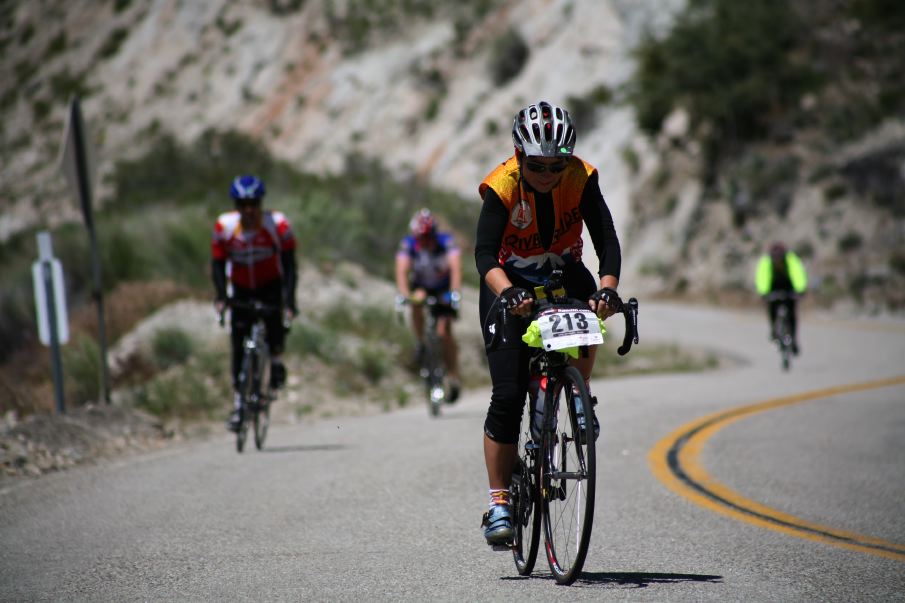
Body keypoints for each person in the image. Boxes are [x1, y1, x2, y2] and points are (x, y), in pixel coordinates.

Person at [475, 100, 622, 546]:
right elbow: (483, 254)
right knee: (508, 394)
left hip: (563, 269)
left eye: (555, 164)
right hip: (509, 280)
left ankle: (578, 391)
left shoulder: (581, 177)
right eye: (537, 165)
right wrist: (508, 292)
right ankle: (499, 501)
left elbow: (607, 241)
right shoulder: (503, 184)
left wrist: (608, 288)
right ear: (520, 156)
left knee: (590, 312)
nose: (547, 172)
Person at [212, 175, 298, 431]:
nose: (248, 210)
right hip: (240, 289)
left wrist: (290, 301)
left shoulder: (278, 224)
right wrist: (220, 297)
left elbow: (290, 265)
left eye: (253, 204)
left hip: (270, 285)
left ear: (261, 203)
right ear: (235, 206)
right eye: (242, 204)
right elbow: (217, 264)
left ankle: (276, 363)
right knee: (238, 344)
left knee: (275, 327)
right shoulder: (224, 227)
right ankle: (239, 404)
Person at [395, 208, 463, 401]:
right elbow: (401, 272)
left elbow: (456, 268)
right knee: (416, 302)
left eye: (428, 237)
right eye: (421, 237)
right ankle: (420, 342)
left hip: (443, 290)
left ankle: (453, 375)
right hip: (422, 287)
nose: (425, 241)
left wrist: (455, 293)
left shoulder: (446, 241)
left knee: (444, 331)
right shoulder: (408, 244)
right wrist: (404, 294)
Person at [755, 242, 807, 354]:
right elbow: (762, 277)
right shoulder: (766, 261)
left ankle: (793, 339)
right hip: (773, 285)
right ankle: (774, 329)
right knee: (772, 307)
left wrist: (800, 289)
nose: (777, 261)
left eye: (779, 258)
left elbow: (798, 274)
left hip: (788, 284)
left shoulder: (791, 260)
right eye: (775, 259)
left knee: (792, 312)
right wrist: (763, 293)